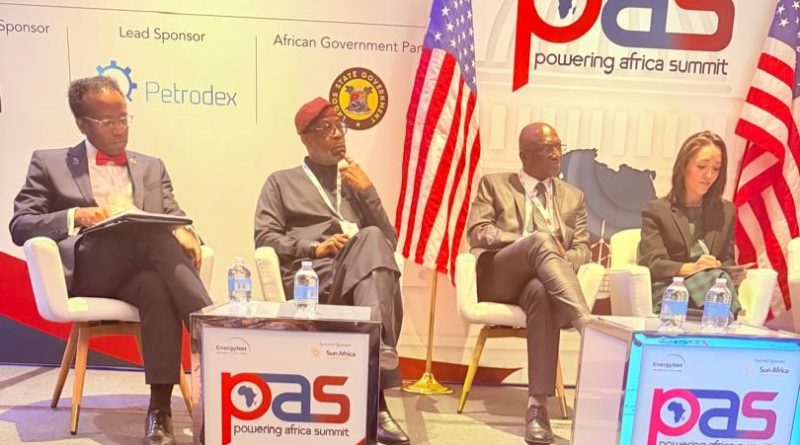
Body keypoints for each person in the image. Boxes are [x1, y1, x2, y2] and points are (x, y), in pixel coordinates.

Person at [9, 76, 212, 445]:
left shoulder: (151, 166)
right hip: (91, 269)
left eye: (124, 118)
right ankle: (213, 332)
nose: (120, 129)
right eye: (108, 122)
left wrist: (186, 231)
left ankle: (159, 413)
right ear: (81, 123)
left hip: (140, 271)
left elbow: (173, 215)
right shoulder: (50, 163)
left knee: (156, 287)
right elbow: (20, 225)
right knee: (155, 238)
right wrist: (77, 216)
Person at [254, 97, 410, 445]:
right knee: (370, 249)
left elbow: (389, 242)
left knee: (372, 241)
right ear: (306, 138)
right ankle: (379, 387)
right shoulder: (281, 182)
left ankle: (375, 362)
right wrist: (315, 247)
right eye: (327, 129)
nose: (338, 135)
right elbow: (265, 236)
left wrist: (368, 192)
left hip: (360, 277)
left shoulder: (354, 184)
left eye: (341, 127)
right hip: (315, 279)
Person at [466, 122, 595, 444]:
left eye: (559, 147)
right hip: (502, 276)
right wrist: (529, 242)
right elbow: (479, 232)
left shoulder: (573, 196)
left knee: (541, 291)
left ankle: (537, 407)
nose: (557, 154)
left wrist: (555, 258)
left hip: (544, 282)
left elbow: (583, 248)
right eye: (548, 149)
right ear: (525, 155)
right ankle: (586, 325)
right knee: (539, 239)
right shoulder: (494, 184)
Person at [638, 130, 742, 315]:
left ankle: (720, 317)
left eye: (716, 168)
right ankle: (727, 320)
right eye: (702, 166)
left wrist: (726, 269)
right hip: (671, 289)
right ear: (683, 166)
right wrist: (695, 268)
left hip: (713, 285)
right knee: (717, 281)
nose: (709, 175)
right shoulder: (657, 210)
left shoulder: (726, 211)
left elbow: (727, 260)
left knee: (718, 280)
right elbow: (653, 264)